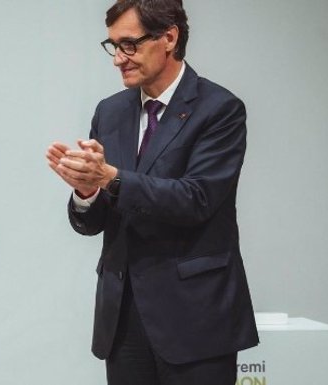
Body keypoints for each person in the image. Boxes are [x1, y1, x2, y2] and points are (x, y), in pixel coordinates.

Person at [46, 0, 258, 384]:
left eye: (129, 45)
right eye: (113, 46)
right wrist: (85, 191)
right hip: (124, 317)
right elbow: (92, 222)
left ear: (169, 38)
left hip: (196, 320)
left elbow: (196, 199)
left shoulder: (220, 109)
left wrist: (110, 178)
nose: (118, 59)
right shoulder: (109, 112)